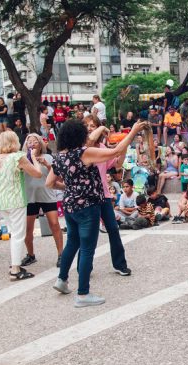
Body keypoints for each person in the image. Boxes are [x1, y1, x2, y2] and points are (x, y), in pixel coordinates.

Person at [47, 119, 145, 307]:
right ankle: (83, 294)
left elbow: (49, 183)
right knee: (87, 249)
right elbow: (115, 151)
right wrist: (132, 132)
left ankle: (62, 279)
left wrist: (70, 188)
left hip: (70, 206)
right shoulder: (84, 153)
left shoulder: (60, 157)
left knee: (72, 243)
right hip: (88, 206)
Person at [82, 116, 133, 276]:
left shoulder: (102, 146)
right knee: (89, 234)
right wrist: (99, 130)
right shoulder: (81, 146)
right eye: (88, 126)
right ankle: (84, 267)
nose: (91, 128)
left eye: (93, 125)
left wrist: (124, 145)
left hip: (103, 194)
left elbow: (116, 164)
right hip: (88, 196)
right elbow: (89, 143)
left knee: (113, 228)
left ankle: (119, 264)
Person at [0, 131, 42, 280]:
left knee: (13, 232)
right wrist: (35, 160)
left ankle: (15, 263)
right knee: (19, 234)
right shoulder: (17, 156)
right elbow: (37, 174)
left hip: (1, 199)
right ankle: (15, 268)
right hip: (16, 199)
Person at [20, 133, 65, 268]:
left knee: (55, 224)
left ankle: (61, 254)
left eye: (35, 142)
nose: (32, 144)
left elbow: (58, 177)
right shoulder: (22, 159)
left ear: (41, 144)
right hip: (30, 197)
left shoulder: (48, 157)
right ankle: (31, 254)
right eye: (29, 141)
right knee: (28, 228)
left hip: (47, 195)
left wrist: (47, 164)